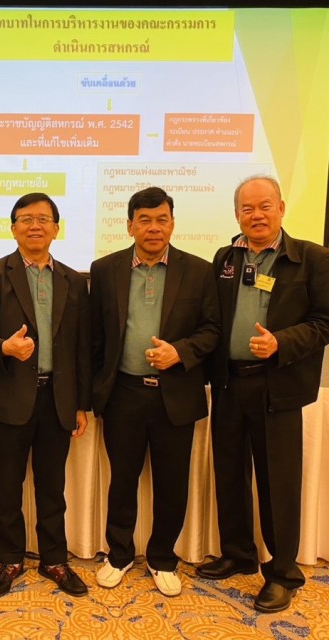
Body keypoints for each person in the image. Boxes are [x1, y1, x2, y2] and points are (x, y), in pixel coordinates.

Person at [196, 176, 329, 612]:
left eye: (265, 206)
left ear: (282, 208)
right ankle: (238, 554)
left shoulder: (311, 258)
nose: (256, 215)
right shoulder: (225, 257)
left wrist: (281, 343)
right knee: (229, 473)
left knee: (278, 483)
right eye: (248, 208)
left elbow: (324, 321)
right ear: (237, 214)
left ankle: (283, 572)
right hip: (229, 383)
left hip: (278, 388)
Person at [90, 186, 220, 596]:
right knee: (122, 480)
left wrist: (180, 352)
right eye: (144, 220)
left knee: (172, 482)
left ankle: (163, 557)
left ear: (173, 224)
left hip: (175, 393)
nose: (153, 227)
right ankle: (119, 554)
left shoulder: (198, 270)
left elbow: (212, 330)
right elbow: (95, 336)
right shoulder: (105, 269)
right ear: (129, 225)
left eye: (162, 219)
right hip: (123, 393)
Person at [0, 192, 91, 598]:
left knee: (53, 488)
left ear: (56, 228)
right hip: (9, 398)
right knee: (8, 486)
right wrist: (3, 347)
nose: (35, 225)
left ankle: (54, 559)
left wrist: (82, 404)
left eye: (43, 219)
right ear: (13, 228)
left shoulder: (74, 280)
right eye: (26, 218)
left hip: (58, 399)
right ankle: (9, 559)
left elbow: (81, 347)